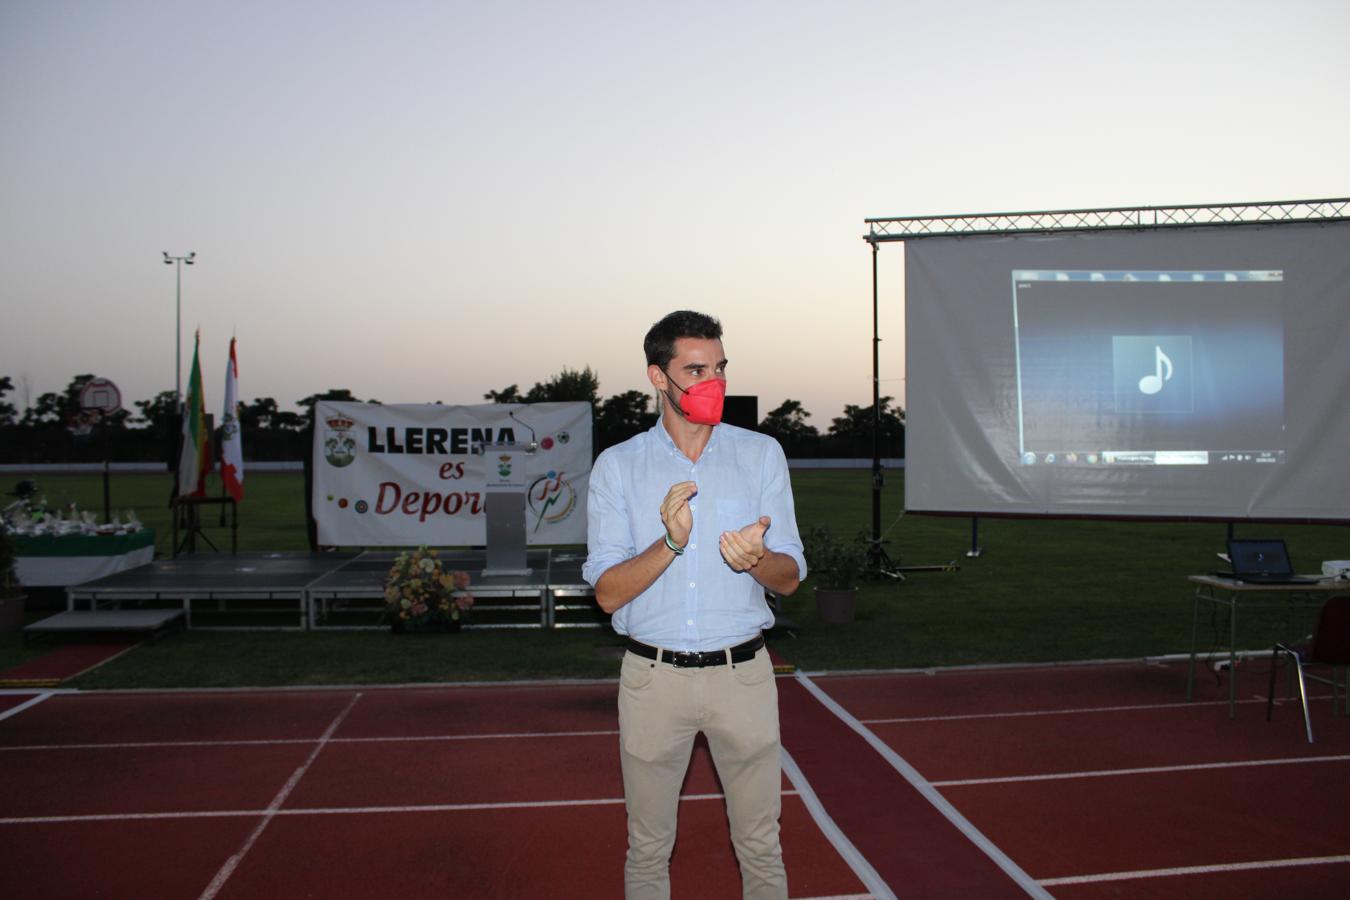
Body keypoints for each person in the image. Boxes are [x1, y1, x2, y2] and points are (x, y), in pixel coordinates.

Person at [583, 310, 807, 900]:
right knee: (648, 846)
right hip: (653, 680)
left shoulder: (760, 455)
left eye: (721, 367)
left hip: (744, 677)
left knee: (761, 844)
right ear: (659, 377)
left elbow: (789, 579)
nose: (715, 382)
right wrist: (672, 543)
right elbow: (607, 593)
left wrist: (757, 559)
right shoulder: (619, 466)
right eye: (697, 370)